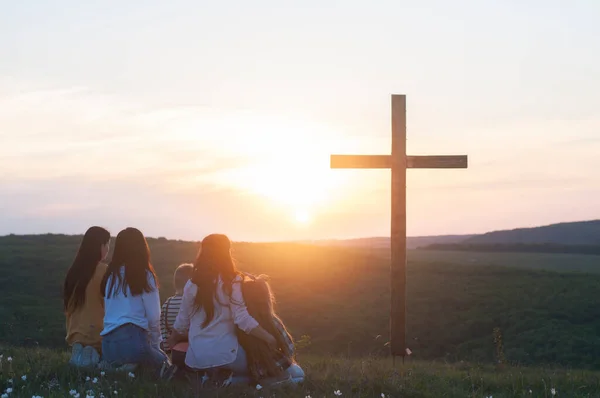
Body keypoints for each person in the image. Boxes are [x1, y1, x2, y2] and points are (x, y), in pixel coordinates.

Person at [167, 234, 277, 386]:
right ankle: (225, 381)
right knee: (258, 371)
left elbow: (181, 321)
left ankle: (207, 379)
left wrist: (171, 342)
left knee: (212, 369)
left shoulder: (192, 284)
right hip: (227, 355)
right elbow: (242, 319)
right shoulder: (232, 282)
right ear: (226, 253)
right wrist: (268, 337)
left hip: (196, 358)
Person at [99, 227, 175, 379]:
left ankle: (122, 368)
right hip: (132, 341)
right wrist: (155, 345)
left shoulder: (110, 277)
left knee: (141, 369)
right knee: (167, 366)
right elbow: (154, 317)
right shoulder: (145, 275)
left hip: (107, 346)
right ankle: (132, 366)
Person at [236, 273, 305, 386]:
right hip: (270, 366)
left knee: (244, 376)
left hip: (245, 366)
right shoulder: (272, 321)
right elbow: (289, 348)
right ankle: (276, 383)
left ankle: (242, 382)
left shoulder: (239, 321)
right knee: (299, 374)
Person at [63, 226, 110, 368]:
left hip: (74, 333)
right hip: (97, 333)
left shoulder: (73, 272)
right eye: (107, 244)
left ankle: (80, 350)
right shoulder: (104, 271)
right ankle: (92, 353)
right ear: (100, 246)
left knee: (83, 344)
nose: (108, 248)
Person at [160, 263, 194, 367]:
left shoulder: (167, 304)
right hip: (193, 352)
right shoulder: (193, 303)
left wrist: (168, 351)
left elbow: (163, 331)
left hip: (174, 354)